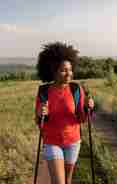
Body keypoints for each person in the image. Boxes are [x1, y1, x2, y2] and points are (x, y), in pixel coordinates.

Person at [35, 42, 94, 184]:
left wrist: (88, 108)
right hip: (52, 142)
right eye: (63, 70)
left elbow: (81, 118)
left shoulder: (76, 89)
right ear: (53, 71)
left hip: (73, 141)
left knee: (67, 181)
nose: (69, 73)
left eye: (70, 69)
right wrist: (40, 114)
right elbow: (39, 121)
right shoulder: (44, 91)